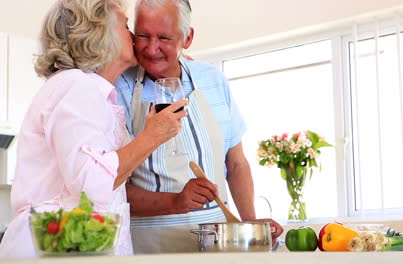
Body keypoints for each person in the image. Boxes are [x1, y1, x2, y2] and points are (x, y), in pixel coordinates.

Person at [0, 0, 188, 259]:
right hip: (57, 245)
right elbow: (91, 184)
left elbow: (105, 178)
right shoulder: (77, 87)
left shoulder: (88, 90)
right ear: (103, 35)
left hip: (74, 242)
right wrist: (153, 136)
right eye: (125, 26)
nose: (133, 36)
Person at [115, 0, 283, 253]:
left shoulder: (212, 79)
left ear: (188, 37)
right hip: (149, 249)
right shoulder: (118, 89)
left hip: (215, 248)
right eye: (142, 35)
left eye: (164, 37)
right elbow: (111, 187)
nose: (151, 49)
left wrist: (248, 221)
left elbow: (235, 163)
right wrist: (176, 201)